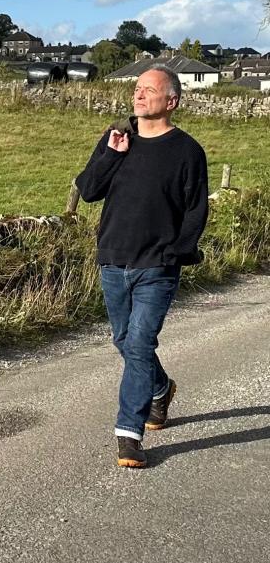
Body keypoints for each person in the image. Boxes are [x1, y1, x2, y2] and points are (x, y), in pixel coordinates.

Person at [75, 64, 208, 468]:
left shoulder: (187, 151)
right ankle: (160, 387)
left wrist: (177, 252)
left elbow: (195, 210)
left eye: (149, 90)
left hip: (158, 265)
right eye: (136, 88)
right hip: (113, 258)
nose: (139, 95)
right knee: (123, 340)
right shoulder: (118, 137)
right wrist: (112, 156)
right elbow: (88, 191)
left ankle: (128, 434)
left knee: (138, 343)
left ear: (171, 101)